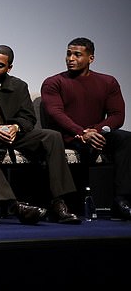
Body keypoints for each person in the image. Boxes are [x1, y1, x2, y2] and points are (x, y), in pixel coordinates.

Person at [0, 45, 80, 225]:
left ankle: (58, 203)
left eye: (0, 65)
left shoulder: (18, 86)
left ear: (9, 68)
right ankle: (12, 205)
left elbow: (28, 117)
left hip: (12, 136)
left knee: (52, 136)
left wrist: (16, 127)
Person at [41, 37, 131, 220]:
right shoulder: (54, 82)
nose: (70, 59)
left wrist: (94, 132)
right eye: (68, 54)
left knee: (125, 139)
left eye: (77, 55)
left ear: (91, 58)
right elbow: (55, 114)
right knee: (85, 146)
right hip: (69, 136)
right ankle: (73, 202)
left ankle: (121, 200)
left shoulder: (108, 82)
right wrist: (82, 133)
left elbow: (117, 115)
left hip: (96, 134)